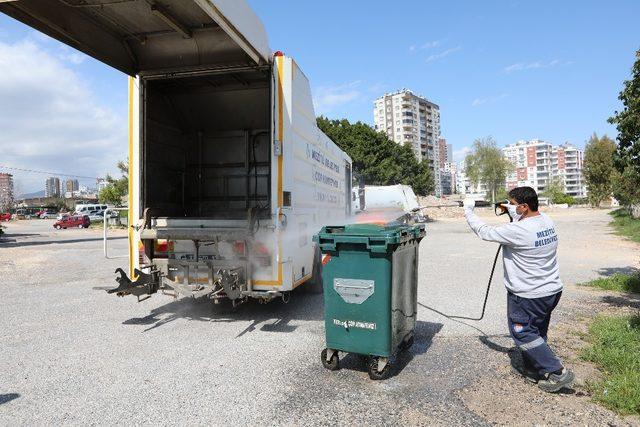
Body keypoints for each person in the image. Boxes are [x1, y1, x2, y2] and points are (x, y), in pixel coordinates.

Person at [463, 186, 574, 393]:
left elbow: (485, 232)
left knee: (523, 333)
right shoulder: (546, 221)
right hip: (551, 290)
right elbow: (524, 224)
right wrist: (512, 212)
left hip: (528, 295)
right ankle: (534, 367)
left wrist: (469, 211)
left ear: (524, 206)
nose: (510, 207)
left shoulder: (518, 230)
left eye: (512, 204)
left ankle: (557, 372)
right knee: (538, 330)